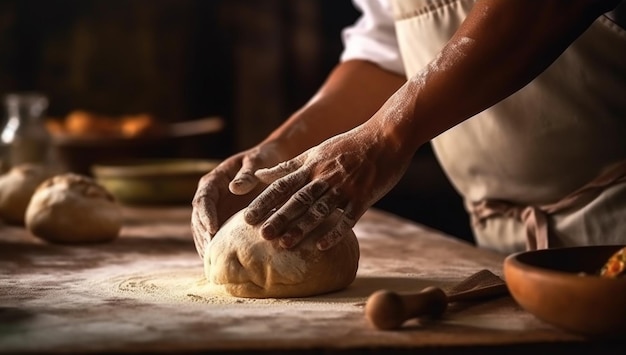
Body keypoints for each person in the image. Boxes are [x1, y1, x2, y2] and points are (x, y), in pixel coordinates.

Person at [192, 0, 626, 258]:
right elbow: (387, 56)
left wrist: (385, 138)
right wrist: (277, 153)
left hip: (614, 226)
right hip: (502, 247)